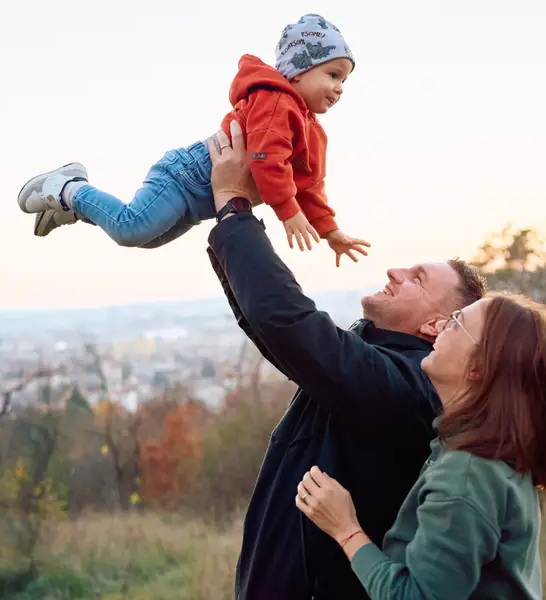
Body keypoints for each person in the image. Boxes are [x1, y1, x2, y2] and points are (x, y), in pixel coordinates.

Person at [204, 121, 487, 599]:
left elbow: (288, 322)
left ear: (438, 326)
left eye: (417, 278)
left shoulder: (411, 388)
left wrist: (235, 208)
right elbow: (277, 331)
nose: (394, 271)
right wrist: (233, 224)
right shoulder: (375, 365)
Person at [294, 292, 546, 599]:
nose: (441, 327)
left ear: (478, 367)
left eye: (456, 322)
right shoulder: (487, 453)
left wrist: (345, 528)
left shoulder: (467, 473)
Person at [15, 14, 370, 266]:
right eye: (333, 74)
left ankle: (73, 209)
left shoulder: (311, 131)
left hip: (201, 201)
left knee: (147, 238)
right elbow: (266, 159)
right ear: (297, 71)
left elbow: (309, 185)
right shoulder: (277, 102)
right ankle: (68, 187)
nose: (340, 87)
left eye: (345, 80)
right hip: (185, 178)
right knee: (131, 229)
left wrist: (330, 230)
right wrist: (287, 212)